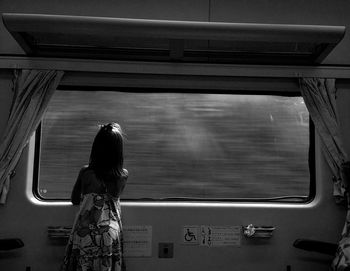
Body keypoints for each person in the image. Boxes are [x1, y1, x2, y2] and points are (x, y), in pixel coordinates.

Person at [61, 123, 128, 271]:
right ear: (118, 151)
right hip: (110, 231)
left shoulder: (86, 173)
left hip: (85, 231)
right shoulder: (122, 175)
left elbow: (74, 199)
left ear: (96, 148)